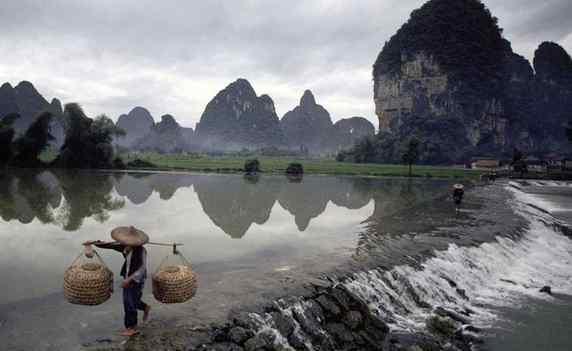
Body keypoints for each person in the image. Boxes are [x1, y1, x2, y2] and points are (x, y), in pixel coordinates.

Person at [83, 226, 151, 337]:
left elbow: (142, 268)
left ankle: (131, 327)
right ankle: (145, 307)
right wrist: (94, 242)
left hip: (136, 279)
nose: (126, 245)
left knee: (129, 302)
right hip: (127, 276)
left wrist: (129, 280)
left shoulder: (141, 251)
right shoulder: (124, 246)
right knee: (133, 300)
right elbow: (109, 245)